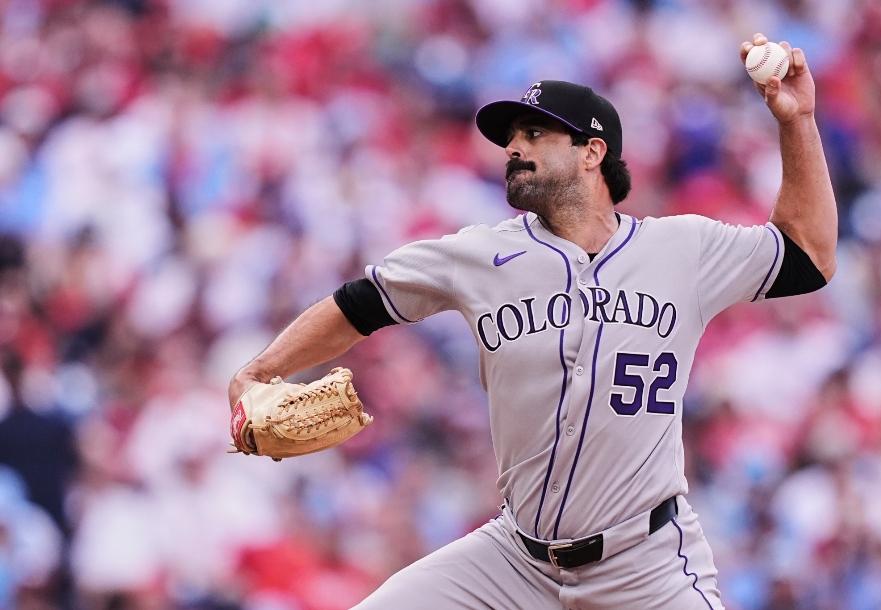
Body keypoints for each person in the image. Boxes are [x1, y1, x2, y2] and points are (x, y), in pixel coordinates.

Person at [228, 34, 837, 609]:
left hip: (646, 566)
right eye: (511, 135)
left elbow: (807, 254)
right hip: (513, 561)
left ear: (593, 152)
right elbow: (359, 303)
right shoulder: (478, 255)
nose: (514, 147)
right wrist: (260, 371)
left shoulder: (683, 249)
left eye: (535, 133)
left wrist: (796, 121)